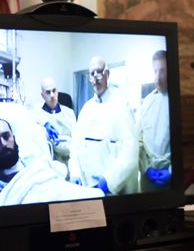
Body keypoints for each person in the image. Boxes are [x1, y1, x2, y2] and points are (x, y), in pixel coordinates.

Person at [73, 56, 139, 195]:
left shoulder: (121, 106)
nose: (96, 78)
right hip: (89, 188)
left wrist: (109, 182)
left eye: (99, 72)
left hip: (114, 189)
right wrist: (75, 173)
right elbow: (76, 147)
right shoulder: (86, 109)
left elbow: (131, 152)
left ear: (107, 74)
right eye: (92, 74)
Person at [137, 50, 172, 192]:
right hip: (147, 177)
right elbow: (139, 141)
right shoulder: (146, 103)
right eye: (155, 71)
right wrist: (146, 168)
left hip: (171, 179)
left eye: (162, 71)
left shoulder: (178, 101)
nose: (157, 78)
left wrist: (172, 171)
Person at [36, 76, 75, 171]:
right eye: (48, 92)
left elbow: (77, 140)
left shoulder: (69, 113)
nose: (52, 95)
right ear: (42, 95)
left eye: (54, 91)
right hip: (50, 168)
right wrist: (44, 124)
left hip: (70, 164)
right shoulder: (37, 116)